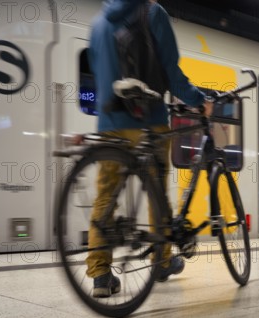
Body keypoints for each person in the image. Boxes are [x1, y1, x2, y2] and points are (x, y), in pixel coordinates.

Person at [88, 0, 214, 297]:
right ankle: (162, 260)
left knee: (106, 196)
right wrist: (199, 100)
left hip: (109, 122)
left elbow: (97, 73)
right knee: (156, 193)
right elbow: (172, 71)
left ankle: (100, 275)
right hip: (149, 118)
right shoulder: (152, 12)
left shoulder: (97, 23)